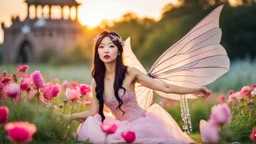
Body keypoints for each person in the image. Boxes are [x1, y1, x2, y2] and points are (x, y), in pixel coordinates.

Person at [64, 31, 211, 143]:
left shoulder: (130, 73)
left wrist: (195, 89)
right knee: (92, 126)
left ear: (119, 51)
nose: (106, 50)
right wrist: (68, 116)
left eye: (111, 46)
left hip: (142, 125)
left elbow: (164, 87)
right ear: (97, 52)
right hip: (118, 126)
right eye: (101, 47)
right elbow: (94, 111)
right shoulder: (97, 81)